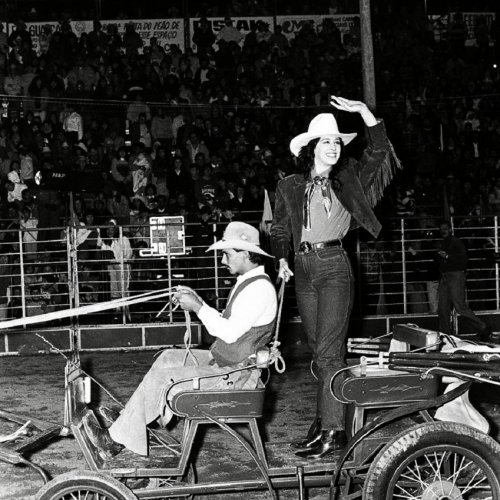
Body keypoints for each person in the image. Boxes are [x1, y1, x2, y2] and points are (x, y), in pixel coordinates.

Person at [270, 96, 401, 460]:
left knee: (329, 354)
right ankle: (323, 422)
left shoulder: (350, 178)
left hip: (334, 265)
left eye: (336, 141)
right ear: (311, 147)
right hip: (302, 268)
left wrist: (363, 113)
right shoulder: (289, 185)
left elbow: (378, 151)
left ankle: (334, 431)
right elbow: (280, 228)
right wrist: (282, 260)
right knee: (320, 355)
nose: (332, 146)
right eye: (325, 141)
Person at [83, 221, 277, 457]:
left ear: (245, 254)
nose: (223, 261)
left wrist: (197, 306)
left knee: (168, 378)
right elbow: (231, 326)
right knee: (168, 358)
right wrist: (199, 302)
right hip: (227, 362)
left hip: (236, 373)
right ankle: (131, 420)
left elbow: (228, 333)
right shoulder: (249, 282)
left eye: (227, 254)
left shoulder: (258, 289)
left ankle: (115, 440)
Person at [436, 220, 491, 339]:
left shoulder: (455, 242)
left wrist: (447, 257)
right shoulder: (445, 242)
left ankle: (482, 327)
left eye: (445, 229)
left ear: (450, 229)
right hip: (447, 276)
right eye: (442, 229)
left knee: (459, 307)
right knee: (443, 308)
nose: (443, 231)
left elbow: (462, 259)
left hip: (455, 275)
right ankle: (445, 334)